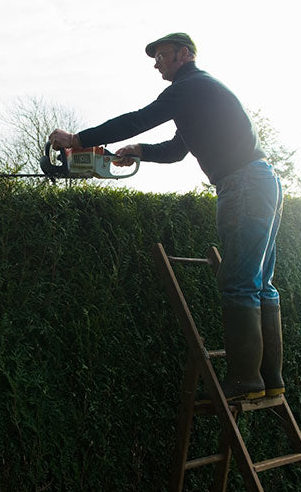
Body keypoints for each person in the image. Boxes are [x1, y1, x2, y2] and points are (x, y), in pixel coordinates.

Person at [49, 33, 284, 402]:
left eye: (161, 55)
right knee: (260, 283)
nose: (156, 62)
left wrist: (77, 138)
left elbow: (140, 118)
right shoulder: (200, 95)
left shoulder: (190, 85)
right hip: (261, 181)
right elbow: (177, 150)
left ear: (183, 55)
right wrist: (140, 152)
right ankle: (270, 380)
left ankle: (245, 383)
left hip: (241, 185)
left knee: (238, 283)